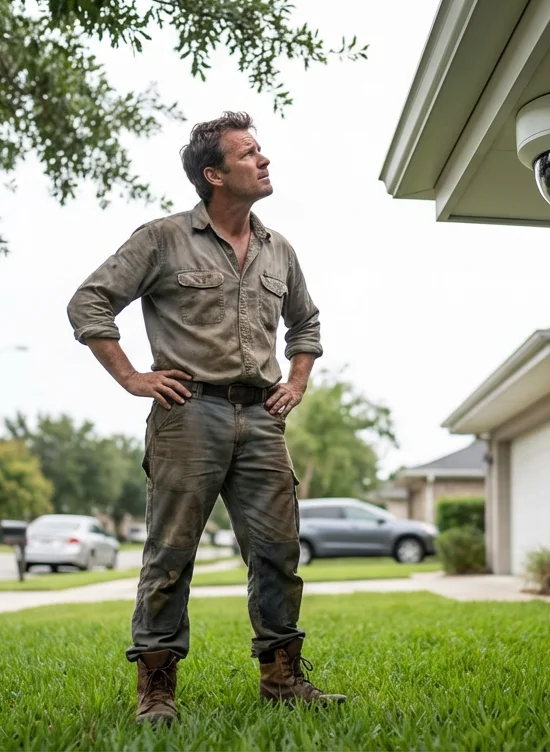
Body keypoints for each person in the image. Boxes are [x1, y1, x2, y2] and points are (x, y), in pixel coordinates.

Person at [66, 111, 344, 725]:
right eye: (248, 154)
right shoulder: (163, 239)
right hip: (187, 416)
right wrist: (133, 377)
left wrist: (296, 380)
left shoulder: (279, 249)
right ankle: (157, 690)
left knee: (277, 550)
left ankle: (282, 678)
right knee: (171, 554)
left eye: (260, 151)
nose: (263, 160)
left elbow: (307, 322)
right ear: (214, 174)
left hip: (262, 420)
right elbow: (89, 300)